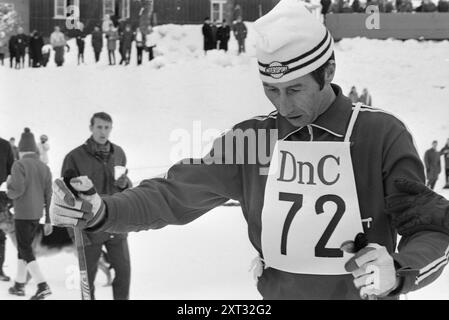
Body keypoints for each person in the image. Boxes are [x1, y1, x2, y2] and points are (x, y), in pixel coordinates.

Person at [50, 0, 449, 300]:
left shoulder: (381, 134)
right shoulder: (254, 140)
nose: (284, 106)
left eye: (295, 89)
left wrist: (396, 271)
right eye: (271, 91)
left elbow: (432, 230)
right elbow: (173, 194)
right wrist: (104, 211)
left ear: (328, 72)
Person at [59, 112, 132, 300]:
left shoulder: (119, 153)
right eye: (99, 127)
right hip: (89, 229)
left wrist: (126, 184)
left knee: (124, 274)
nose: (103, 131)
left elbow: (125, 188)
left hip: (117, 226)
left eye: (107, 127)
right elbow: (65, 196)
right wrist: (74, 231)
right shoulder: (74, 157)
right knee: (87, 281)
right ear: (91, 128)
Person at [7, 128, 52, 300]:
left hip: (22, 214)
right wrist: (48, 219)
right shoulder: (44, 167)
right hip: (36, 215)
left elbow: (17, 190)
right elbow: (49, 195)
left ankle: (42, 285)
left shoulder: (19, 165)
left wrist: (8, 188)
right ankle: (19, 284)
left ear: (20, 149)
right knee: (24, 248)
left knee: (25, 249)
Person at [0, 137, 14, 282]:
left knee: (0, 236)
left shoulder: (4, 145)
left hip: (0, 196)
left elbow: (12, 171)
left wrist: (10, 197)